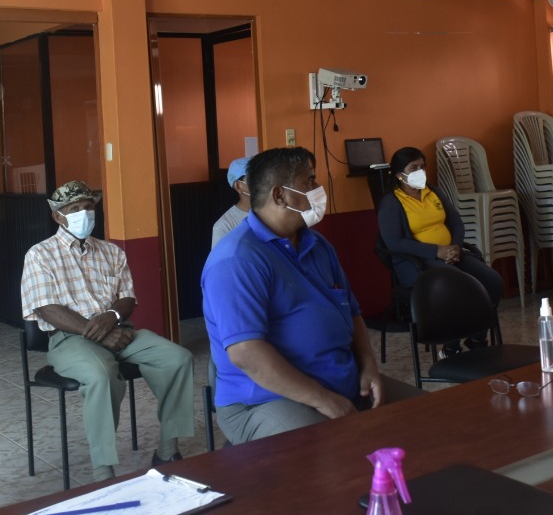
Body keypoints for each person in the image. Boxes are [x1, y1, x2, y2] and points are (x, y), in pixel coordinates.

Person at [202, 147, 421, 445]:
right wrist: (323, 399)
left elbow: (351, 312)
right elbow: (246, 353)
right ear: (280, 195)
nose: (319, 189)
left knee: (429, 420)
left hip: (339, 382)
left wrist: (368, 366)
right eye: (309, 181)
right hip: (266, 398)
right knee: (341, 450)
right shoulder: (237, 259)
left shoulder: (317, 245)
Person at [21, 181, 194, 482]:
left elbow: (127, 297)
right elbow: (47, 308)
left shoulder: (111, 251)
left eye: (88, 207)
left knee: (177, 358)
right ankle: (103, 469)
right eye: (74, 209)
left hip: (119, 330)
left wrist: (112, 317)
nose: (84, 213)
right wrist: (101, 332)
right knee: (101, 374)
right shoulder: (40, 255)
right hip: (70, 338)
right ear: (58, 216)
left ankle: (168, 450)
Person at [377, 146, 503, 355]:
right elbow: (394, 242)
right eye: (414, 167)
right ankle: (451, 347)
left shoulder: (434, 192)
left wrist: (455, 246)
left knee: (492, 280)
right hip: (417, 262)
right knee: (456, 285)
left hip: (452, 254)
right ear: (399, 175)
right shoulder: (392, 202)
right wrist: (435, 251)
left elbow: (456, 223)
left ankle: (477, 338)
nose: (420, 171)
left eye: (422, 166)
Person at [211, 156, 252, 248]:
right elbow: (220, 256)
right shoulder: (224, 226)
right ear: (238, 186)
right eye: (254, 178)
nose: (262, 183)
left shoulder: (273, 213)